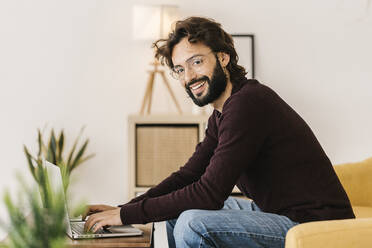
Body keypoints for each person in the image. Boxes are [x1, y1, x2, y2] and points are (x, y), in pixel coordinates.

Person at [83, 17, 355, 248]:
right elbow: (189, 175)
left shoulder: (248, 103)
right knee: (175, 213)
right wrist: (123, 209)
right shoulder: (223, 112)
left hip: (314, 226)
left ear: (223, 57)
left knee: (193, 222)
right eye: (180, 69)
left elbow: (208, 193)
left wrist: (127, 215)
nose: (189, 76)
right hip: (277, 213)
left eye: (196, 62)